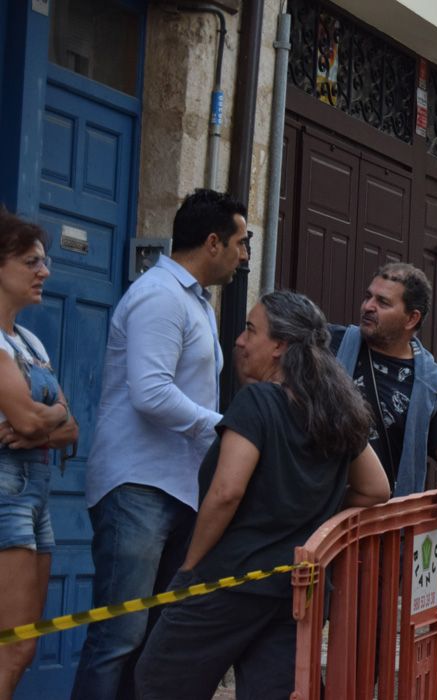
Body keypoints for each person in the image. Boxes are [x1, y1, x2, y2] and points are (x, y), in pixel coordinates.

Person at [134, 291, 389, 699]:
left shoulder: (258, 401)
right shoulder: (335, 408)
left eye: (251, 330)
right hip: (296, 588)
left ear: (280, 347)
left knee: (159, 681)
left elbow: (226, 492)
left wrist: (190, 567)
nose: (239, 340)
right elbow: (377, 489)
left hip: (231, 578)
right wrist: (316, 516)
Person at [72, 189, 249, 699]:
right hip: (138, 486)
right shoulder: (160, 295)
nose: (244, 257)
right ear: (212, 242)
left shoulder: (193, 300)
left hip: (177, 488)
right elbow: (150, 393)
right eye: (240, 243)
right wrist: (223, 429)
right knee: (119, 634)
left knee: (152, 636)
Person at [0, 210, 79, 698]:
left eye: (45, 261)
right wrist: (48, 420)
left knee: (23, 644)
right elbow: (37, 420)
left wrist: (44, 422)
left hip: (37, 496)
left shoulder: (28, 341)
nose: (44, 272)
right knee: (11, 644)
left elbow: (72, 428)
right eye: (31, 261)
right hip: (6, 492)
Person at [330, 262, 437, 519]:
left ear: (412, 318)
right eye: (368, 297)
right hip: (319, 528)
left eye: (383, 302)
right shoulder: (328, 345)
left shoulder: (434, 386)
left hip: (384, 535)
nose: (368, 307)